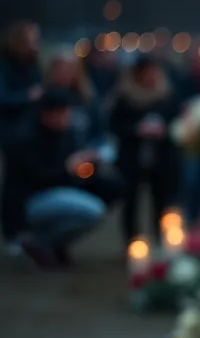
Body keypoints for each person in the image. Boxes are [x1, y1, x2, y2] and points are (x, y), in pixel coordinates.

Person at [18, 88, 123, 268]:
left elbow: (73, 172)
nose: (67, 118)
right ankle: (41, 242)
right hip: (34, 199)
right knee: (92, 211)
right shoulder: (27, 138)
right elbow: (38, 178)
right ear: (47, 114)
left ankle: (56, 244)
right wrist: (68, 168)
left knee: (114, 187)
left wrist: (88, 165)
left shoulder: (66, 134)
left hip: (61, 190)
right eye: (63, 113)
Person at [108, 54, 181, 246]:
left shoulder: (167, 94)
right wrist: (136, 129)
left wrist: (163, 130)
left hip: (162, 158)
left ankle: (161, 240)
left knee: (162, 201)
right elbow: (114, 124)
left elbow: (178, 122)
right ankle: (133, 243)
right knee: (131, 201)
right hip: (132, 157)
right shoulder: (125, 97)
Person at [0, 20, 43, 253]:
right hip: (11, 133)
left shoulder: (32, 64)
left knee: (28, 182)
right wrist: (27, 96)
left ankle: (28, 229)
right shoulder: (2, 64)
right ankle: (12, 232)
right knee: (13, 184)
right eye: (32, 38)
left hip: (32, 132)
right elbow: (0, 98)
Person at [44, 54, 107, 148]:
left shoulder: (87, 98)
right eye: (60, 69)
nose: (64, 73)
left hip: (82, 154)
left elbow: (98, 133)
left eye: (69, 69)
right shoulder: (44, 97)